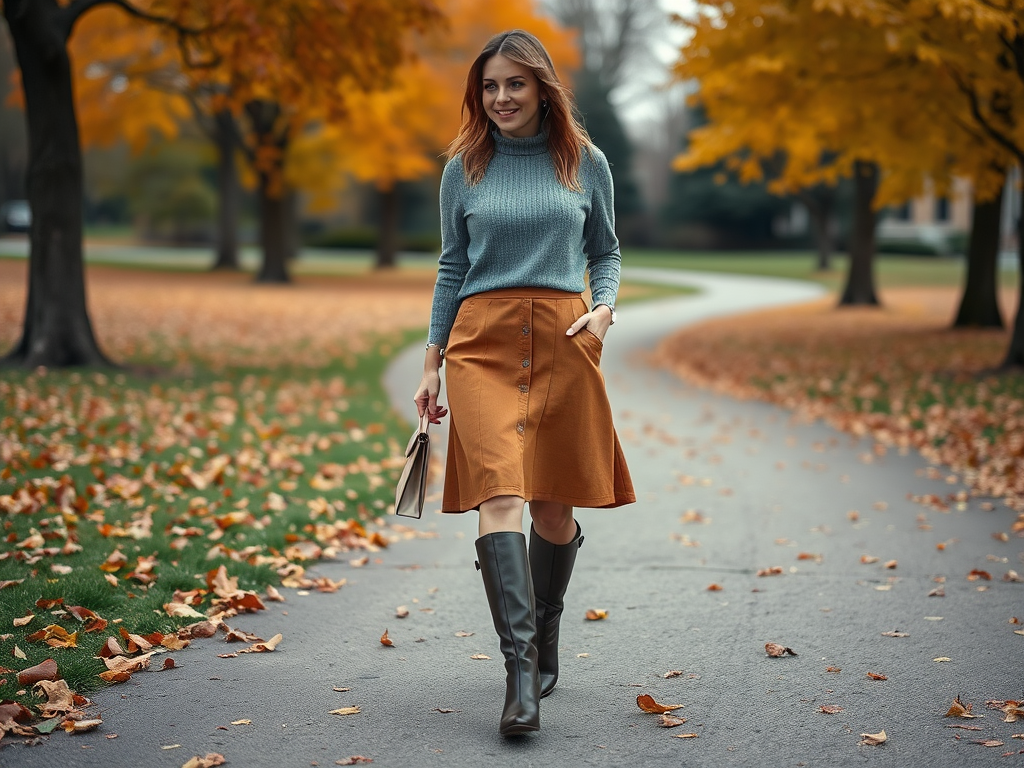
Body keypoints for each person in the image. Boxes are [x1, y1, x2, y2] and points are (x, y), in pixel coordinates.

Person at [414, 29, 635, 737]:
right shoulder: (465, 167)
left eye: (514, 83)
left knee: (550, 511)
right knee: (499, 492)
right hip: (480, 345)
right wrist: (432, 357)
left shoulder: (585, 161)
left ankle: (545, 633)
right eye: (489, 86)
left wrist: (603, 310)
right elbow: (453, 267)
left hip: (566, 342)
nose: (501, 97)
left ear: (542, 87)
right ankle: (519, 676)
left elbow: (605, 251)